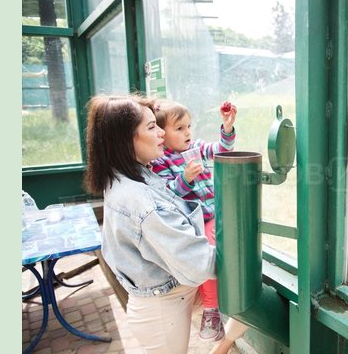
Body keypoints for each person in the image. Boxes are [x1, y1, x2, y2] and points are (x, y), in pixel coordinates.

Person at [83, 94, 245, 354]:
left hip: (162, 300)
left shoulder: (129, 176)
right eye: (151, 127)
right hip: (161, 311)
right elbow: (199, 262)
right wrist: (245, 258)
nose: (161, 133)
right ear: (125, 138)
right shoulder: (142, 200)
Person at [149, 99, 241, 342]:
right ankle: (211, 310)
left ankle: (228, 296)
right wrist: (186, 178)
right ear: (161, 134)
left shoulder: (198, 147)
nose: (187, 132)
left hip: (216, 214)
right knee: (208, 254)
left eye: (188, 126)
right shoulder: (161, 162)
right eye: (179, 129)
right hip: (195, 221)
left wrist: (227, 127)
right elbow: (169, 194)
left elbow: (222, 150)